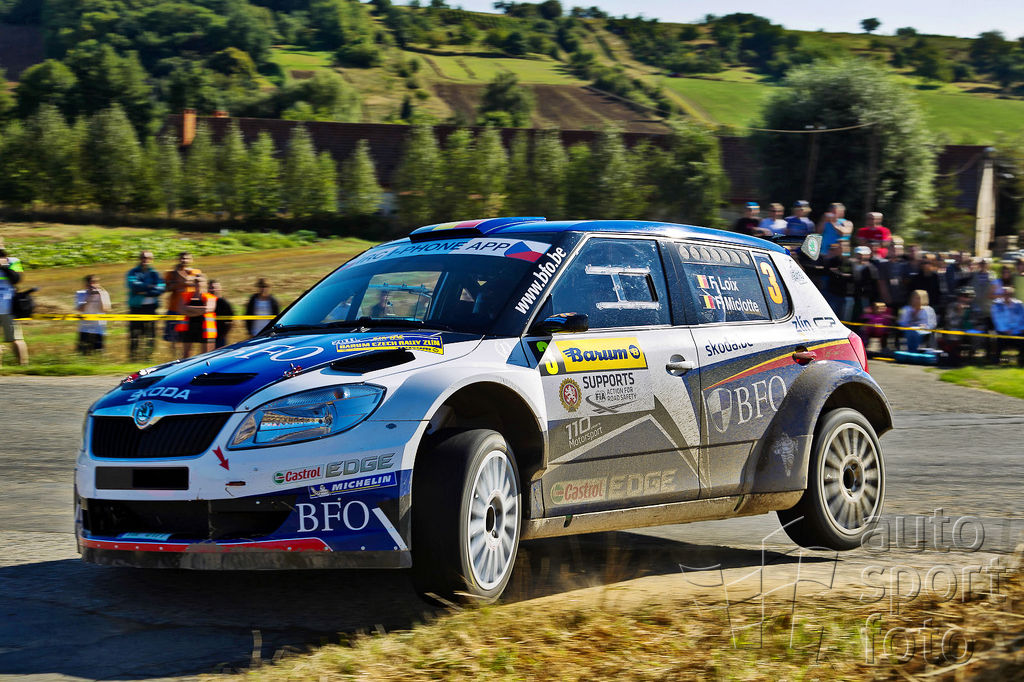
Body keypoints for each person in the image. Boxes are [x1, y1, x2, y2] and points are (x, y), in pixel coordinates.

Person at [125, 250, 165, 361]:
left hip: (151, 308)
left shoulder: (155, 273)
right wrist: (150, 286)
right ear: (139, 258)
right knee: (135, 333)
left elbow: (161, 289)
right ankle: (133, 358)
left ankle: (148, 357)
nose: (145, 260)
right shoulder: (133, 272)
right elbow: (134, 286)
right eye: (143, 257)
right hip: (136, 307)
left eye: (148, 258)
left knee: (151, 334)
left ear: (151, 259)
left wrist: (144, 291)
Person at [164, 252, 200, 356]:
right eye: (182, 258)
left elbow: (191, 282)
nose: (184, 260)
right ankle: (174, 357)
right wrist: (174, 284)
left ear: (191, 260)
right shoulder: (171, 273)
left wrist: (179, 275)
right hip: (174, 308)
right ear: (178, 259)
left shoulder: (196, 272)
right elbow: (166, 288)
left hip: (189, 309)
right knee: (173, 338)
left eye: (187, 258)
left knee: (188, 337)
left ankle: (187, 357)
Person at [0, 246, 29, 366]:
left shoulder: (13, 261)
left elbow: (17, 279)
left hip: (8, 306)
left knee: (16, 339)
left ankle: (23, 365)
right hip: (6, 306)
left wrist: (4, 266)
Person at [179, 275, 217, 358]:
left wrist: (188, 309)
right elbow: (181, 310)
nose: (198, 283)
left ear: (205, 283)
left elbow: (208, 309)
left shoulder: (210, 297)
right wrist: (200, 310)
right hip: (189, 327)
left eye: (200, 281)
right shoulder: (186, 295)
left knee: (205, 355)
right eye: (196, 281)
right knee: (186, 355)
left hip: (205, 329)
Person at [940, 287, 978, 366]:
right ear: (958, 297)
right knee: (954, 333)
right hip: (955, 329)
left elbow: (975, 320)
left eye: (968, 296)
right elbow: (950, 322)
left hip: (969, 330)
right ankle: (954, 357)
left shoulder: (974, 307)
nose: (965, 298)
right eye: (963, 296)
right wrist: (960, 313)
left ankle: (972, 357)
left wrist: (970, 326)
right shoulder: (952, 306)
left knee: (978, 334)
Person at [75, 274, 112, 354]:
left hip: (99, 329)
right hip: (84, 329)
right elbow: (80, 309)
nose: (93, 285)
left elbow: (106, 309)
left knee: (98, 354)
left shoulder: (104, 293)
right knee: (82, 354)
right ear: (86, 284)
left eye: (96, 282)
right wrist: (89, 297)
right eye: (91, 282)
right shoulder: (81, 293)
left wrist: (100, 295)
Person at [988, 286, 1024, 366]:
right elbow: (997, 319)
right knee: (998, 339)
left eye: (1009, 294)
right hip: (1002, 331)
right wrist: (1005, 329)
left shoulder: (1018, 304)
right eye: (1004, 294)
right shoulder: (996, 305)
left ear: (1012, 295)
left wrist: (1021, 328)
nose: (1007, 296)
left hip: (1017, 331)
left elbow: (1022, 318)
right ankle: (996, 361)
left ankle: (1021, 360)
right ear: (1001, 295)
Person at [851, 245, 880, 323]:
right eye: (859, 254)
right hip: (853, 296)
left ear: (868, 255)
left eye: (864, 254)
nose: (861, 256)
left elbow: (874, 284)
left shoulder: (872, 268)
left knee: (864, 317)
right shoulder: (851, 266)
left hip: (865, 297)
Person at [209, 279, 234, 349]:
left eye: (215, 288)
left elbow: (231, 321)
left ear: (220, 289)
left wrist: (224, 335)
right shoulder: (206, 302)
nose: (213, 290)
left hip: (220, 338)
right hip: (208, 336)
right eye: (211, 288)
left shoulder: (224, 303)